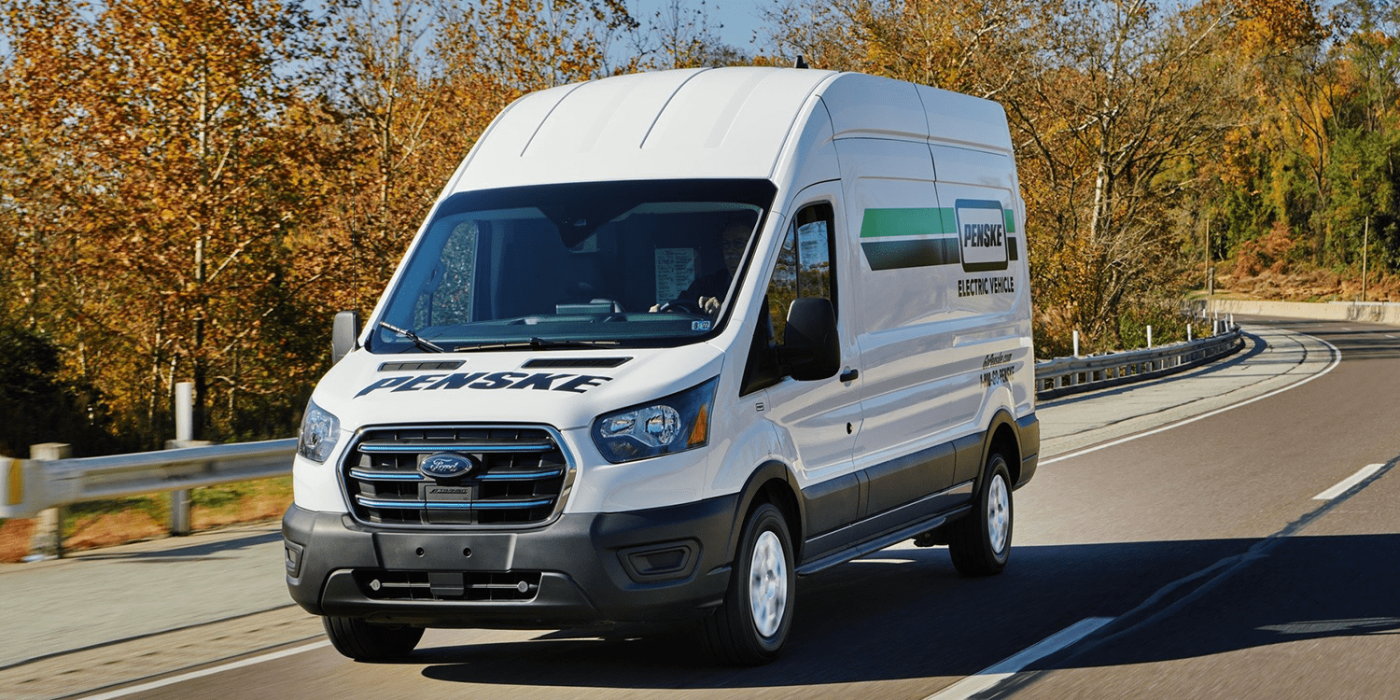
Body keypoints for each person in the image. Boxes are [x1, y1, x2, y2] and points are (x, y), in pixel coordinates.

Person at [651, 218, 753, 316]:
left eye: (739, 243)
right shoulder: (707, 284)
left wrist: (723, 312)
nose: (730, 250)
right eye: (726, 244)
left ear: (754, 246)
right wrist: (665, 315)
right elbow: (683, 306)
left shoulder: (763, 284)